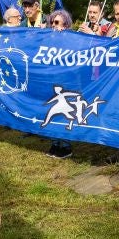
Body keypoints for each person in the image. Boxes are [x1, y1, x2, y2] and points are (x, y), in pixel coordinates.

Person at [45, 10, 74, 158]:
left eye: (56, 22)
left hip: (67, 80)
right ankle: (55, 142)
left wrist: (65, 36)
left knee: (65, 112)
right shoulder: (48, 37)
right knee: (53, 111)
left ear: (66, 24)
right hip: (52, 79)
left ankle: (67, 146)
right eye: (52, 22)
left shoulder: (72, 38)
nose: (53, 25)